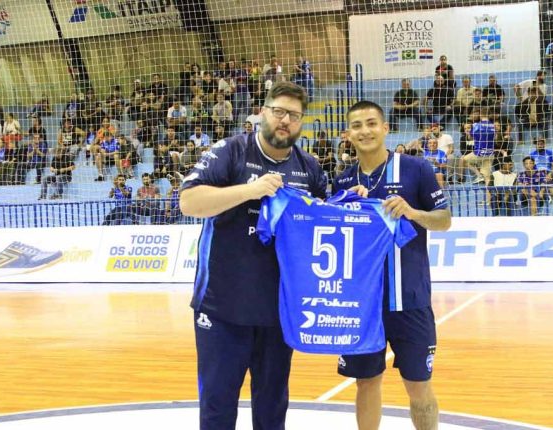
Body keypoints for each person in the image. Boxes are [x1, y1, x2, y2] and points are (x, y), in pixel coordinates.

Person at [179, 82, 326, 430]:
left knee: (273, 407)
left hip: (278, 313)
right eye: (279, 111)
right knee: (218, 406)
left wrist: (351, 199)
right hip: (222, 309)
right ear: (263, 112)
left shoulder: (310, 169)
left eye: (294, 115)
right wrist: (252, 190)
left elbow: (323, 221)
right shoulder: (230, 151)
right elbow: (189, 202)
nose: (285, 120)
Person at [332, 100, 450, 430]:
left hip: (409, 299)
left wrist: (412, 212)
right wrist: (344, 206)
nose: (364, 130)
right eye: (357, 125)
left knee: (418, 385)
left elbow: (444, 220)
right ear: (348, 135)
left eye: (371, 123)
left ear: (385, 128)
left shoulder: (416, 170)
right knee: (366, 382)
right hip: (361, 305)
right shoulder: (342, 183)